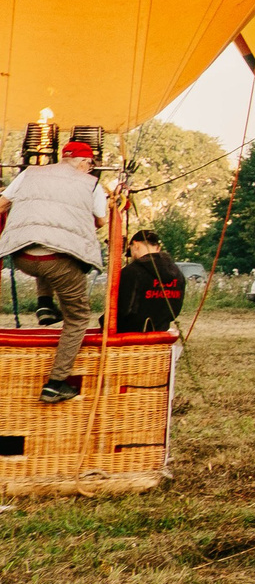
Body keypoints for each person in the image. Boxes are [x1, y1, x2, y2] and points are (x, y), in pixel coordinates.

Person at [3, 138, 109, 404]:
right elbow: (103, 220)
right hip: (57, 261)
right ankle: (56, 382)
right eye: (90, 163)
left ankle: (45, 306)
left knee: (44, 247)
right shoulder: (91, 184)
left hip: (22, 256)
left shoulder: (30, 173)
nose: (90, 168)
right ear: (84, 162)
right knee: (78, 317)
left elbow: (2, 204)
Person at [116, 230, 187, 334]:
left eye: (130, 250)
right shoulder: (177, 272)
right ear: (158, 248)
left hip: (131, 336)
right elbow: (175, 310)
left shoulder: (131, 272)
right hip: (161, 333)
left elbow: (123, 310)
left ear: (135, 245)